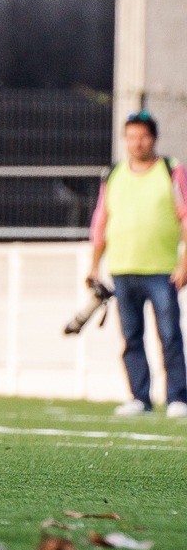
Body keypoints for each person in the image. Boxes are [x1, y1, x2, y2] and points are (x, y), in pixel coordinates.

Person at [86, 110, 187, 418]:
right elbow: (100, 222)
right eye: (131, 136)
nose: (137, 142)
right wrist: (94, 267)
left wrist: (184, 263)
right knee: (131, 336)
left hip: (162, 269)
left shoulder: (171, 171)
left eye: (142, 136)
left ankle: (177, 398)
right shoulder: (114, 173)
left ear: (153, 139)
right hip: (123, 268)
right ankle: (139, 397)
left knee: (169, 335)